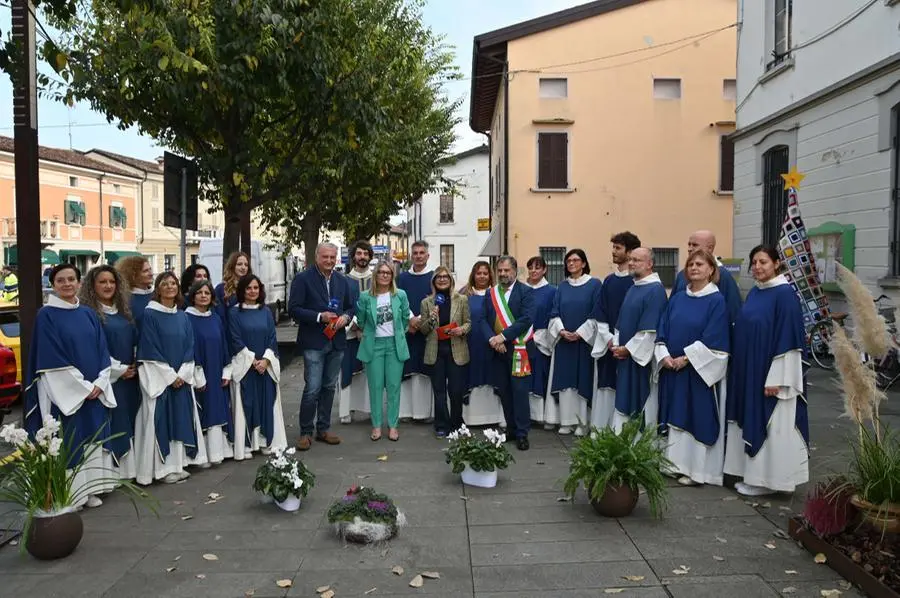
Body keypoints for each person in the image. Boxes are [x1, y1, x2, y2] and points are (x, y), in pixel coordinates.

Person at [24, 263, 117, 508]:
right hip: (65, 393)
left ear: (78, 282)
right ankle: (72, 495)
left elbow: (102, 350)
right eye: (61, 280)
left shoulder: (87, 313)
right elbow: (50, 357)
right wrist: (83, 388)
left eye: (71, 279)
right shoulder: (46, 316)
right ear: (53, 285)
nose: (66, 284)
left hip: (93, 390)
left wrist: (99, 382)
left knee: (92, 437)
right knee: (71, 438)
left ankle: (91, 489)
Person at [724, 244, 808, 496]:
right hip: (750, 371)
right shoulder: (757, 293)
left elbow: (790, 340)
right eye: (755, 263)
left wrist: (779, 379)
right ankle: (753, 475)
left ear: (776, 264)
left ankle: (769, 481)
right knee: (750, 419)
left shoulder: (784, 295)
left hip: (771, 376)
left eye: (763, 262)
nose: (758, 267)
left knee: (773, 425)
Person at [656, 250, 730, 486]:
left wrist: (686, 358)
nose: (694, 268)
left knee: (695, 415)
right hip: (673, 368)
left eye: (700, 264)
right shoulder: (677, 298)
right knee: (675, 413)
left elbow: (715, 337)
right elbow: (663, 327)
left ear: (711, 269)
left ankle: (697, 471)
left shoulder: (716, 301)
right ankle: (674, 464)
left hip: (697, 371)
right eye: (690, 264)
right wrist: (664, 355)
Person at [134, 272, 208, 484]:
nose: (169, 287)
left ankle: (178, 463)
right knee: (162, 420)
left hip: (181, 379)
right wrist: (169, 376)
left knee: (181, 419)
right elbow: (149, 348)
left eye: (173, 283)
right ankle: (162, 469)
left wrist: (183, 374)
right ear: (157, 289)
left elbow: (189, 346)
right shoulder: (150, 315)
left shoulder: (182, 316)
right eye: (164, 284)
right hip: (160, 380)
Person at [288, 242, 355, 450]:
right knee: (313, 388)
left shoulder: (341, 281)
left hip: (337, 341)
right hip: (314, 342)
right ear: (317, 257)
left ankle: (323, 429)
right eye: (325, 257)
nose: (329, 261)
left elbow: (352, 306)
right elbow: (294, 309)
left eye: (332, 257)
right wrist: (319, 317)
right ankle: (305, 432)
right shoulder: (302, 279)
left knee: (328, 387)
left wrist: (345, 316)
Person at [79, 265, 140, 481]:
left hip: (129, 378)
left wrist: (133, 365)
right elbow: (95, 349)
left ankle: (129, 471)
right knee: (112, 423)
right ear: (92, 286)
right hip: (108, 378)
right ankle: (111, 475)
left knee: (128, 421)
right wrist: (119, 370)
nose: (108, 286)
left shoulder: (122, 311)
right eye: (102, 282)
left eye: (112, 282)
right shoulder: (90, 314)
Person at [228, 275, 288, 459]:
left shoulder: (266, 312)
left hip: (265, 367)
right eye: (248, 288)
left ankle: (265, 441)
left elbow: (272, 337)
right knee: (247, 403)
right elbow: (235, 338)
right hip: (246, 366)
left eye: (255, 288)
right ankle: (247, 443)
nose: (252, 291)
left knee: (266, 402)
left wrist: (266, 361)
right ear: (242, 290)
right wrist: (253, 361)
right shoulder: (234, 313)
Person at [543, 249, 601, 436]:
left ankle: (582, 423)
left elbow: (596, 312)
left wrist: (580, 333)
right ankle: (566, 421)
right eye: (568, 261)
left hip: (583, 343)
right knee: (565, 382)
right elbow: (554, 312)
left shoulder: (594, 285)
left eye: (576, 260)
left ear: (584, 263)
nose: (571, 263)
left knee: (581, 380)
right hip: (564, 342)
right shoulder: (562, 287)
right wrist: (561, 330)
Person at [612, 248, 668, 432]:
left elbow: (650, 330)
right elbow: (621, 322)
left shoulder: (656, 290)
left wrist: (627, 349)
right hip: (625, 356)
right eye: (630, 259)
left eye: (637, 260)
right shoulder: (634, 287)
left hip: (639, 359)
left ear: (650, 264)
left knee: (640, 399)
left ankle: (640, 446)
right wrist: (616, 344)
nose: (631, 263)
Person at [484, 256, 535, 451]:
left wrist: (502, 336)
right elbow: (482, 320)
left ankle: (522, 433)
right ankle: (512, 429)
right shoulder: (491, 293)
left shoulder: (526, 292)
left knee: (520, 392)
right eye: (500, 271)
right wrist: (493, 339)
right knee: (504, 391)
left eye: (507, 270)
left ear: (515, 271)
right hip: (498, 350)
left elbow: (526, 319)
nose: (503, 274)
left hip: (518, 349)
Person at [355, 262, 410, 441]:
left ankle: (393, 426)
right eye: (381, 272)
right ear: (376, 275)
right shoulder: (365, 296)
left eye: (388, 273)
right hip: (374, 345)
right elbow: (361, 321)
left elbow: (405, 319)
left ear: (392, 276)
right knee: (375, 387)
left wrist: (399, 334)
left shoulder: (400, 295)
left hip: (395, 345)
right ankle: (376, 426)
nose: (385, 275)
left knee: (394, 387)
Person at [591, 231, 640, 429]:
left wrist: (623, 343)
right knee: (606, 385)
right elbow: (600, 311)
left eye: (618, 248)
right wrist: (609, 338)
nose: (613, 252)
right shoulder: (609, 280)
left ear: (630, 252)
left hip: (629, 347)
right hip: (609, 344)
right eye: (613, 247)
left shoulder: (637, 282)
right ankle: (601, 429)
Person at [186, 280, 234, 466]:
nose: (204, 296)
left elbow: (223, 345)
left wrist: (226, 371)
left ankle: (220, 451)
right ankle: (203, 454)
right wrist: (198, 375)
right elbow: (190, 347)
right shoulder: (187, 318)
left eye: (207, 292)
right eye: (199, 293)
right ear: (193, 296)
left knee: (218, 408)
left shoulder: (215, 318)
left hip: (216, 372)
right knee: (203, 409)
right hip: (201, 374)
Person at [419, 267, 471, 437]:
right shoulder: (427, 302)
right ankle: (441, 424)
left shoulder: (461, 299)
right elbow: (424, 330)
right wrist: (432, 317)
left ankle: (457, 423)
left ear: (451, 279)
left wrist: (461, 330)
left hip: (456, 350)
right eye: (438, 277)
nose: (442, 279)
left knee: (456, 391)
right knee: (439, 391)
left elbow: (468, 323)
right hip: (436, 352)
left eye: (445, 277)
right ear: (434, 281)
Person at [462, 261, 505, 427]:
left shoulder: (497, 294)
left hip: (493, 344)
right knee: (471, 376)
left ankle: (494, 417)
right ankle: (472, 418)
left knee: (493, 376)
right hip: (471, 343)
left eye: (485, 273)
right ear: (473, 275)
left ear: (490, 276)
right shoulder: (464, 294)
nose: (481, 276)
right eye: (478, 273)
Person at [397, 240, 434, 422]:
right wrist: (411, 319)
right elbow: (398, 301)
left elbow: (438, 300)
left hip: (427, 331)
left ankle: (423, 413)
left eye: (422, 253)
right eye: (416, 253)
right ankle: (405, 412)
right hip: (407, 331)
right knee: (406, 371)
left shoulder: (434, 277)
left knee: (424, 372)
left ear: (428, 255)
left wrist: (420, 320)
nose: (419, 256)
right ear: (411, 256)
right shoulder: (402, 278)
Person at [671, 230, 742, 324]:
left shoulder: (723, 276)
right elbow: (671, 306)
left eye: (695, 245)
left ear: (710, 248)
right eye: (689, 244)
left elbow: (733, 313)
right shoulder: (682, 274)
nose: (689, 248)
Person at [340, 241, 374, 424]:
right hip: (350, 333)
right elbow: (343, 306)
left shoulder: (377, 278)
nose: (362, 257)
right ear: (353, 256)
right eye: (359, 253)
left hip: (372, 333)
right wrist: (353, 325)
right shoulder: (344, 280)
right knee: (347, 371)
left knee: (370, 373)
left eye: (365, 254)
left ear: (370, 256)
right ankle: (346, 411)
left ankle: (369, 409)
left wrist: (366, 327)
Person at [524, 257, 556, 427]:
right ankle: (527, 414)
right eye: (530, 268)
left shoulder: (552, 291)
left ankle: (543, 415)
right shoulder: (523, 290)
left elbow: (554, 314)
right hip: (523, 339)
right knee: (525, 376)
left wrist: (543, 336)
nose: (533, 271)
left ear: (544, 270)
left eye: (537, 268)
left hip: (543, 339)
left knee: (541, 375)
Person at [116, 255, 154, 331]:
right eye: (145, 271)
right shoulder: (125, 299)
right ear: (133, 275)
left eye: (150, 269)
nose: (151, 273)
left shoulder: (157, 294)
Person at [215, 251, 251, 328]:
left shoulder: (252, 288)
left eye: (246, 265)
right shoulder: (221, 289)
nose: (243, 267)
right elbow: (219, 316)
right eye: (239, 264)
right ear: (232, 266)